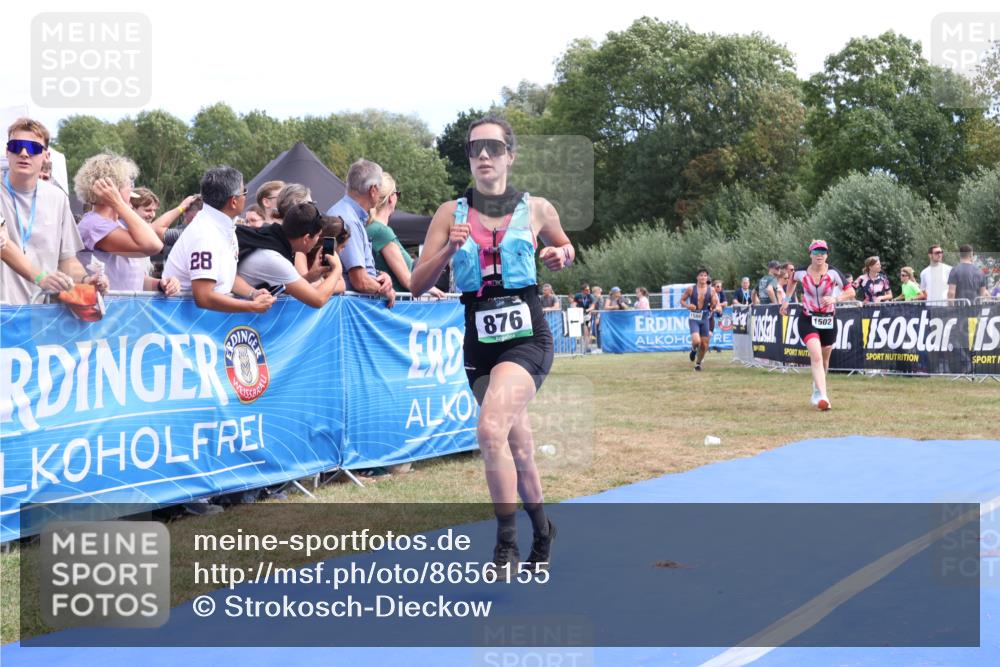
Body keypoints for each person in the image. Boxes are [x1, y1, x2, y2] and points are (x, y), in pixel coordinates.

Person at [409, 115, 573, 574]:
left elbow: (565, 248)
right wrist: (446, 250)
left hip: (527, 338)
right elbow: (418, 284)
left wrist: (560, 255)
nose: (483, 155)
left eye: (493, 148)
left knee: (488, 431)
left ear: (510, 156)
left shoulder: (537, 208)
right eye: (474, 148)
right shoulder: (450, 213)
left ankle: (506, 543)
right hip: (479, 343)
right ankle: (543, 529)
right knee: (517, 445)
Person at [1, 118, 107, 304]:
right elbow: (4, 246)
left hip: (41, 315)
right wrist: (42, 278)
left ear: (45, 156)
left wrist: (84, 280)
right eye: (17, 146)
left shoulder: (58, 198)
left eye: (33, 148)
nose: (24, 153)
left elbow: (67, 260)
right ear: (7, 152)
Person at [162, 165, 275, 313]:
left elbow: (226, 278)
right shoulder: (205, 235)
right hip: (185, 323)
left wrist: (253, 293)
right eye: (244, 192)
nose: (246, 197)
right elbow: (204, 297)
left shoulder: (222, 224)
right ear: (234, 201)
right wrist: (251, 307)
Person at [73, 153, 179, 294]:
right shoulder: (94, 225)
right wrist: (118, 202)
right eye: (129, 183)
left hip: (124, 312)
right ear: (112, 188)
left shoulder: (117, 225)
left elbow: (130, 278)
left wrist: (160, 285)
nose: (131, 189)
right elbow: (154, 246)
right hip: (105, 314)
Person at [781, 240, 855, 411]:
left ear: (827, 255)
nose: (819, 254)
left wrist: (835, 299)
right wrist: (786, 300)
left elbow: (851, 291)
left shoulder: (834, 273)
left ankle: (817, 389)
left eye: (823, 251)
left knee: (825, 359)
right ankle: (824, 397)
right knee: (816, 356)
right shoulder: (800, 272)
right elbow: (791, 282)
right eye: (816, 252)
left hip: (828, 319)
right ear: (810, 255)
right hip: (807, 318)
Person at [236, 202, 344, 307]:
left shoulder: (271, 236)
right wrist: (337, 270)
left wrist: (311, 276)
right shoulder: (275, 259)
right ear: (306, 238)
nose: (318, 240)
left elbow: (289, 285)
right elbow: (318, 300)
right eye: (318, 236)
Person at [327, 160, 395, 308]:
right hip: (352, 310)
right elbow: (360, 281)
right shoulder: (348, 220)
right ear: (373, 190)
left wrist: (380, 276)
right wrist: (385, 290)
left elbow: (361, 271)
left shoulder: (347, 215)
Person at [366, 172, 444, 297]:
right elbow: (408, 281)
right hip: (395, 308)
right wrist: (431, 288)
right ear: (391, 198)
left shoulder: (370, 228)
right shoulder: (382, 232)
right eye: (398, 194)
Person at [680, 269, 718, 371]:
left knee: (705, 345)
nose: (703, 277)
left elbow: (715, 303)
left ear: (707, 278)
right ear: (697, 277)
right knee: (697, 341)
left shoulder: (712, 290)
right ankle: (693, 349)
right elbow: (682, 300)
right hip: (694, 318)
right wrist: (688, 306)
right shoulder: (691, 289)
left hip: (705, 318)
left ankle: (698, 364)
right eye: (701, 275)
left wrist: (713, 304)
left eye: (705, 276)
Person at [574, 283, 595, 351]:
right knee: (578, 331)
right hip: (578, 315)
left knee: (586, 330)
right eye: (586, 290)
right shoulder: (577, 296)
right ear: (583, 290)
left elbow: (592, 306)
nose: (588, 291)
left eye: (589, 290)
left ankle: (587, 347)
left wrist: (587, 310)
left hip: (587, 315)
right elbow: (574, 304)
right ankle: (579, 347)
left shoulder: (590, 296)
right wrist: (576, 309)